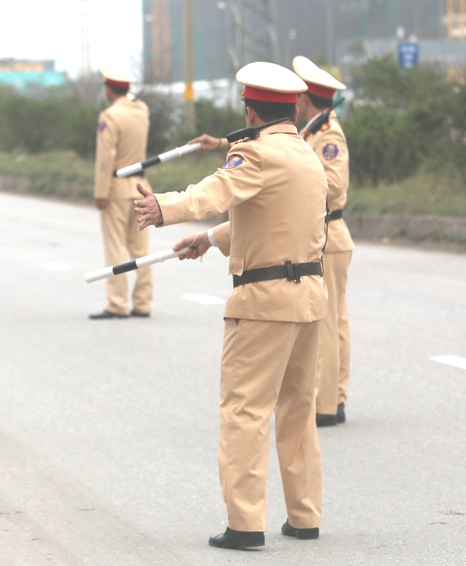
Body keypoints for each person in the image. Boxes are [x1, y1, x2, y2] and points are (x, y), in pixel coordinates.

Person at [134, 62, 328, 549]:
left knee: (245, 410)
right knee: (298, 411)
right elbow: (275, 215)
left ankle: (245, 524)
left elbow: (215, 191)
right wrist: (213, 239)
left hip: (263, 301)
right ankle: (304, 517)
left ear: (249, 107)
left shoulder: (256, 154)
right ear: (292, 108)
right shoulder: (304, 154)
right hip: (308, 298)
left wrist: (164, 208)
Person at [293, 56, 356, 427]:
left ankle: (327, 405)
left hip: (329, 234)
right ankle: (337, 396)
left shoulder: (328, 134)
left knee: (328, 323)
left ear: (305, 99)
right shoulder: (314, 130)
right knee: (337, 321)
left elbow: (334, 187)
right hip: (327, 235)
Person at [89, 64, 153, 320]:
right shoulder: (142, 110)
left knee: (115, 247)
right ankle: (143, 302)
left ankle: (117, 303)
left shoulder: (110, 115)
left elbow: (106, 158)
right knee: (141, 249)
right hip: (140, 185)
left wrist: (100, 191)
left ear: (109, 89)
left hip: (116, 186)